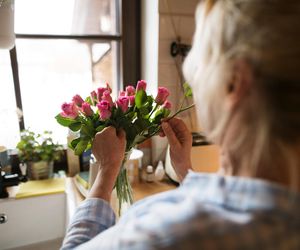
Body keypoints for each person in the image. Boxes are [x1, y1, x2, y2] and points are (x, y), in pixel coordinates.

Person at [61, 0, 300, 249]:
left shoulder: (161, 234)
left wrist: (108, 167)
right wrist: (185, 169)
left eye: (202, 70)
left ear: (234, 84)